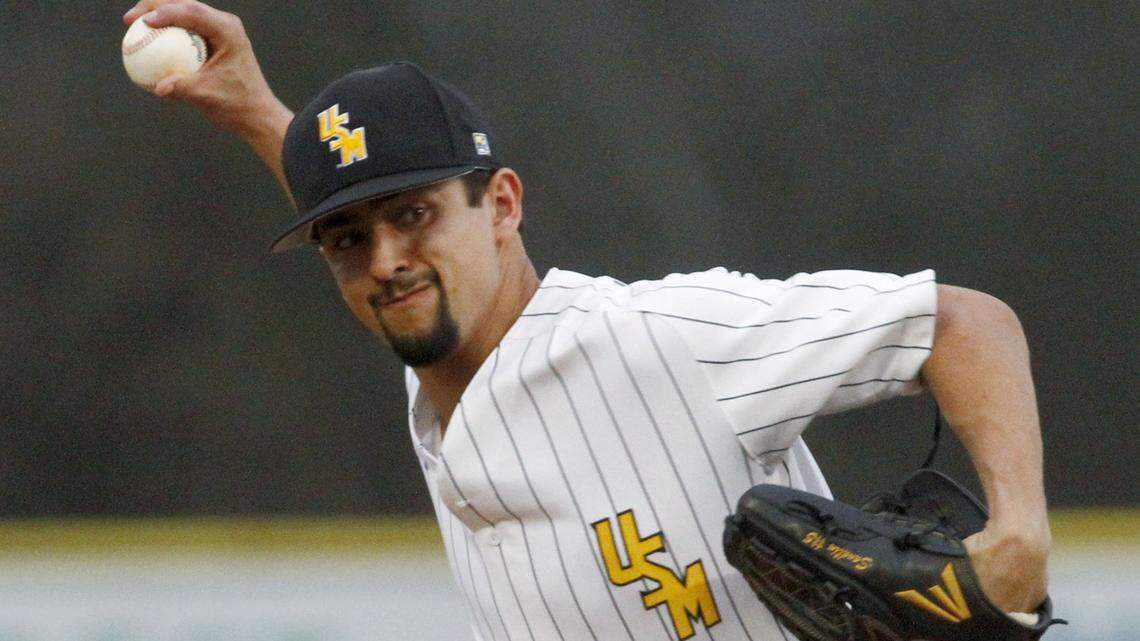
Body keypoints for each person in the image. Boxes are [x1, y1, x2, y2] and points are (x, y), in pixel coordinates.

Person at [122, 2, 1053, 639]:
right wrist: (258, 113)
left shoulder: (662, 338)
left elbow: (963, 324)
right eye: (347, 240)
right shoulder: (437, 366)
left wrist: (1018, 539)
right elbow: (384, 258)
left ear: (502, 205)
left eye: (415, 214)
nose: (386, 259)